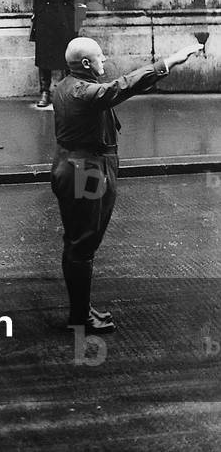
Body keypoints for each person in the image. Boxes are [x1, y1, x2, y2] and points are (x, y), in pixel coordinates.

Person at [51, 36, 202, 334]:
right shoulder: (85, 92)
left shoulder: (65, 86)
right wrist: (168, 62)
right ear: (85, 63)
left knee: (78, 240)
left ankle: (80, 309)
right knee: (83, 244)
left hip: (76, 165)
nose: (104, 59)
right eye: (99, 56)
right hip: (87, 169)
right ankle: (79, 318)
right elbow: (123, 86)